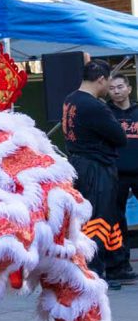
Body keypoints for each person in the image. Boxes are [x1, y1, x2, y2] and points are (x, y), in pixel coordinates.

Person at [63, 60, 129, 287]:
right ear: (101, 79)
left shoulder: (70, 99)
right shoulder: (95, 106)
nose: (109, 86)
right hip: (95, 168)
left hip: (80, 163)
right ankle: (95, 271)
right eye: (109, 81)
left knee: (91, 218)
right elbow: (119, 137)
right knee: (98, 219)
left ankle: (108, 266)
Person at [107, 73, 138, 282]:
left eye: (120, 87)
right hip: (116, 173)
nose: (116, 91)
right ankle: (120, 265)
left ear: (129, 88)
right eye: (112, 88)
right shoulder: (105, 113)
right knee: (116, 221)